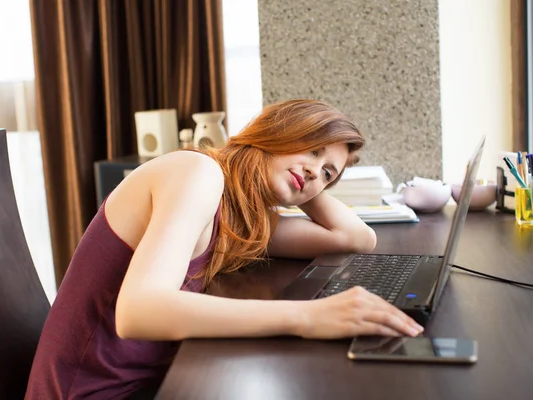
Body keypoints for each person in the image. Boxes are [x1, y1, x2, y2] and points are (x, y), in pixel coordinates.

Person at [25, 99, 424, 400]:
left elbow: (356, 238)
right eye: (312, 147)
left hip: (144, 385)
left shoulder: (243, 215)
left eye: (328, 174)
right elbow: (137, 311)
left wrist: (304, 180)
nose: (314, 171)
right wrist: (306, 316)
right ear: (276, 130)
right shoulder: (196, 174)